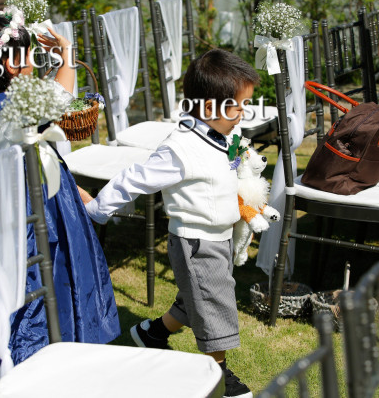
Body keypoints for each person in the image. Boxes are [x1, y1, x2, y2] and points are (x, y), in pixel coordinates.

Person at [0, 8, 121, 378]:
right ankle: (23, 365)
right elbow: (60, 96)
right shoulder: (6, 108)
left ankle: (35, 358)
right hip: (25, 214)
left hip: (23, 200)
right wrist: (67, 52)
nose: (33, 61)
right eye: (24, 54)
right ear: (5, 64)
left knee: (40, 282)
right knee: (37, 285)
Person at [85, 48, 258, 398]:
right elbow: (134, 179)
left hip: (217, 237)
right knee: (213, 306)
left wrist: (243, 164)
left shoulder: (217, 134)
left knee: (197, 298)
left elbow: (223, 165)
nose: (243, 112)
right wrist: (98, 209)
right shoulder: (180, 148)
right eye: (239, 105)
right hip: (197, 242)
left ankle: (152, 334)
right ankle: (219, 378)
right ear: (211, 108)